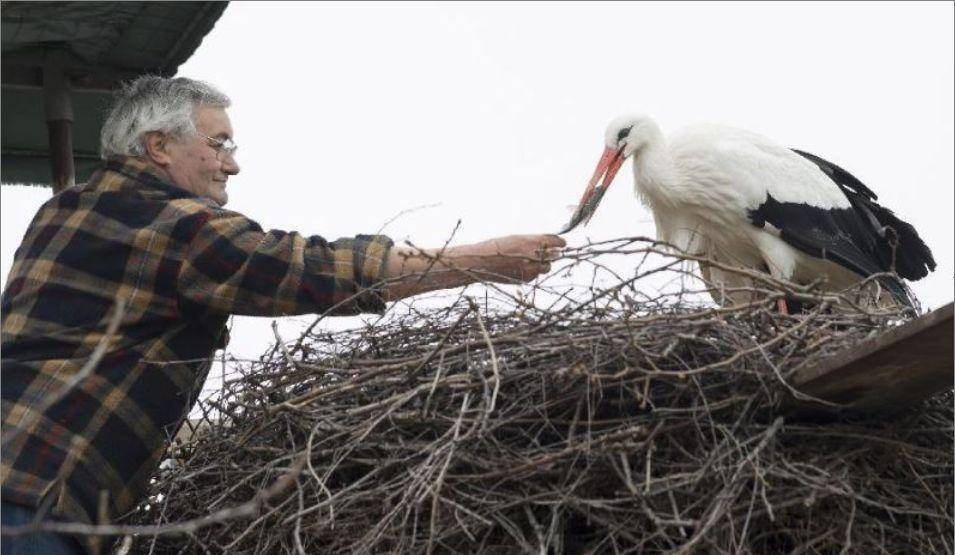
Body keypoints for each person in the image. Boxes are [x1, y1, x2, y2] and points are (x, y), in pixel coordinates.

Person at [0, 76, 565, 554]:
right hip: (32, 501)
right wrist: (480, 260)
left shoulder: (65, 211)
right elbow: (302, 268)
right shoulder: (169, 224)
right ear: (158, 147)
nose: (233, 165)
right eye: (219, 144)